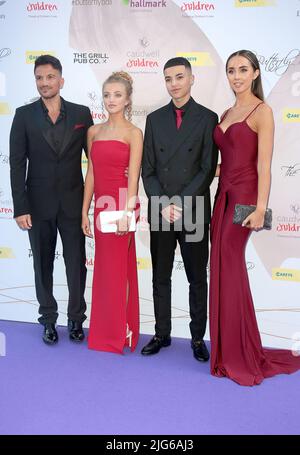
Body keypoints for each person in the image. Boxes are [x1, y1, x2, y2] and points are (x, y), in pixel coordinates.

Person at [209, 49, 300, 386]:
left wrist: (261, 208)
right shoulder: (227, 111)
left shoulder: (264, 111)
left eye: (243, 70)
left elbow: (263, 164)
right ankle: (228, 349)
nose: (236, 76)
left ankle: (239, 354)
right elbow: (229, 158)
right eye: (232, 70)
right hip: (223, 197)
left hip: (245, 198)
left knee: (230, 266)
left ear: (256, 73)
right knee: (220, 266)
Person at [9, 55, 93, 345]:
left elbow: (94, 163)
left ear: (61, 80)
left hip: (73, 204)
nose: (44, 83)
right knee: (42, 265)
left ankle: (75, 319)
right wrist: (20, 207)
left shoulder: (82, 114)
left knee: (76, 266)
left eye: (49, 77)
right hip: (38, 205)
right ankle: (48, 319)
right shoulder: (23, 115)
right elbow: (17, 164)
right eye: (39, 78)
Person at [141, 57, 218, 361]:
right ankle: (162, 334)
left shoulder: (207, 118)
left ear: (191, 79)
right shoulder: (154, 119)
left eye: (179, 77)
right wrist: (163, 203)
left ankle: (198, 338)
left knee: (196, 277)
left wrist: (180, 203)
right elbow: (148, 170)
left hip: (194, 209)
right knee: (160, 275)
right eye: (168, 78)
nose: (174, 83)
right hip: (160, 210)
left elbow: (207, 168)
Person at [82, 71, 142, 354]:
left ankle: (120, 332)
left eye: (117, 95)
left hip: (121, 206)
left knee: (118, 272)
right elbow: (91, 173)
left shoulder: (133, 133)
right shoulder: (93, 132)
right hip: (100, 208)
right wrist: (85, 211)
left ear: (128, 99)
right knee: (105, 272)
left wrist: (127, 213)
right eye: (107, 95)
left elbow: (134, 177)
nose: (111, 100)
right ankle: (106, 331)